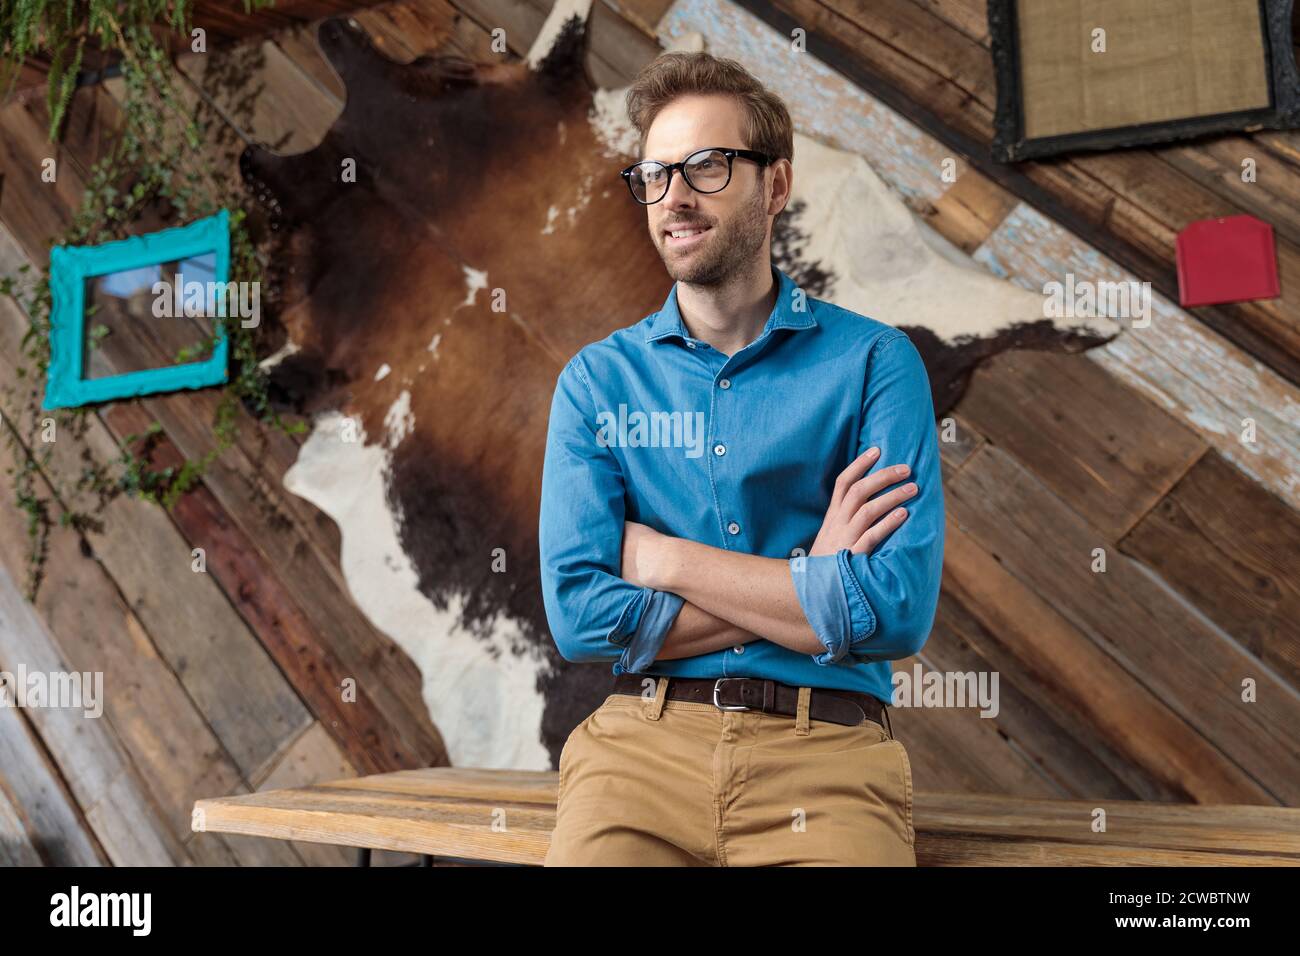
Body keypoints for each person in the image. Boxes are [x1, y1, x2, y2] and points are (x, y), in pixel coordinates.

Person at [538, 50, 944, 866]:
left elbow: (895, 610)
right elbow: (580, 617)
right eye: (654, 174)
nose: (674, 197)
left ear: (776, 186)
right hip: (637, 750)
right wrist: (811, 578)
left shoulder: (876, 363)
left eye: (708, 166)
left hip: (825, 758)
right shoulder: (596, 383)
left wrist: (663, 560)